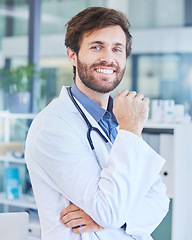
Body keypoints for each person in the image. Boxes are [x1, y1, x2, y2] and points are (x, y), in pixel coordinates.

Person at [25, 7, 169, 240]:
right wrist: (131, 131)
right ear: (72, 55)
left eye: (117, 49)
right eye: (96, 46)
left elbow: (159, 199)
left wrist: (117, 219)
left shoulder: (118, 119)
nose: (108, 58)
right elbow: (108, 211)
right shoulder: (52, 127)